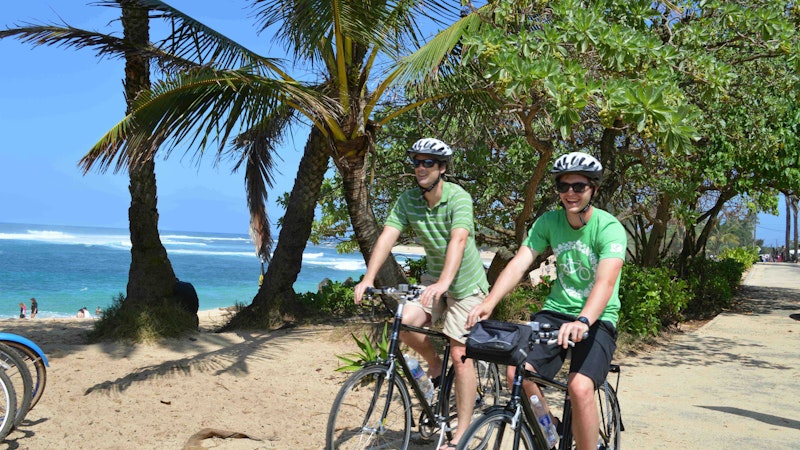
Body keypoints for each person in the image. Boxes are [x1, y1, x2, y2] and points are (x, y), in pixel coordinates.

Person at [466, 152, 626, 450]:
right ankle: (549, 428)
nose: (570, 193)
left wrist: (583, 320)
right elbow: (519, 263)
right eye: (563, 186)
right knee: (517, 371)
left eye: (578, 186)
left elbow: (605, 283)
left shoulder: (609, 227)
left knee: (579, 388)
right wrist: (490, 301)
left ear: (594, 189)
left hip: (598, 317)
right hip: (555, 312)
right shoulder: (548, 222)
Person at [353, 138, 489, 449]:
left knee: (460, 352)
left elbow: (458, 241)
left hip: (466, 285)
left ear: (442, 168)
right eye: (417, 161)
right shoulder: (408, 200)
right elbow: (387, 237)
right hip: (433, 279)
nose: (420, 167)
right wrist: (368, 278)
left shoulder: (459, 198)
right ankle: (435, 365)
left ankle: (462, 430)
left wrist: (444, 284)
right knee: (405, 323)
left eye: (428, 162)